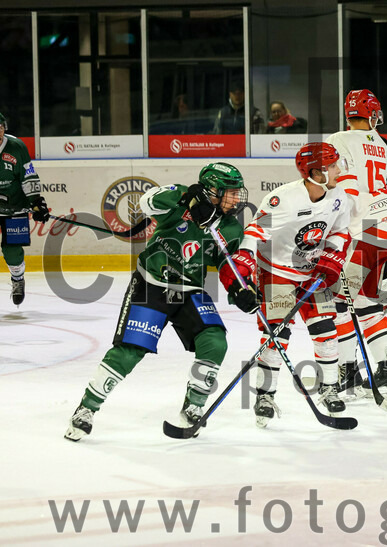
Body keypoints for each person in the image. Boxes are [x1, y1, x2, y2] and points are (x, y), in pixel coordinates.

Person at [64, 163, 252, 441]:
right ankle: (86, 409)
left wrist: (240, 289)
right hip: (152, 284)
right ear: (212, 190)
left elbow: (229, 265)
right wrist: (189, 198)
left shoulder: (231, 227)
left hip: (189, 289)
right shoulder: (180, 197)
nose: (237, 199)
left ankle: (193, 407)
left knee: (215, 340)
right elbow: (146, 202)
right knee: (130, 351)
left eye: (238, 193)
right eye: (231, 193)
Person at [238, 142, 352, 427]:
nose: (339, 170)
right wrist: (244, 264)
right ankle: (265, 395)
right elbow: (253, 232)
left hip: (313, 273)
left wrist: (332, 256)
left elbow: (341, 231)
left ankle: (328, 388)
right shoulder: (283, 199)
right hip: (277, 272)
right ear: (316, 171)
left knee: (326, 330)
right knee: (276, 336)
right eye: (333, 165)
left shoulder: (338, 196)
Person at [325, 89, 387, 397]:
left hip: (360, 229)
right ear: (371, 113)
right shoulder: (381, 143)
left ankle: (347, 374)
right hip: (384, 229)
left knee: (338, 304)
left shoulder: (338, 139)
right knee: (366, 302)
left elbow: (346, 187)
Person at [0, 111, 48, 306]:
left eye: (0, 127)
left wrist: (36, 202)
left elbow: (28, 176)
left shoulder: (16, 147)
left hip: (15, 204)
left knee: (12, 250)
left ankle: (18, 279)